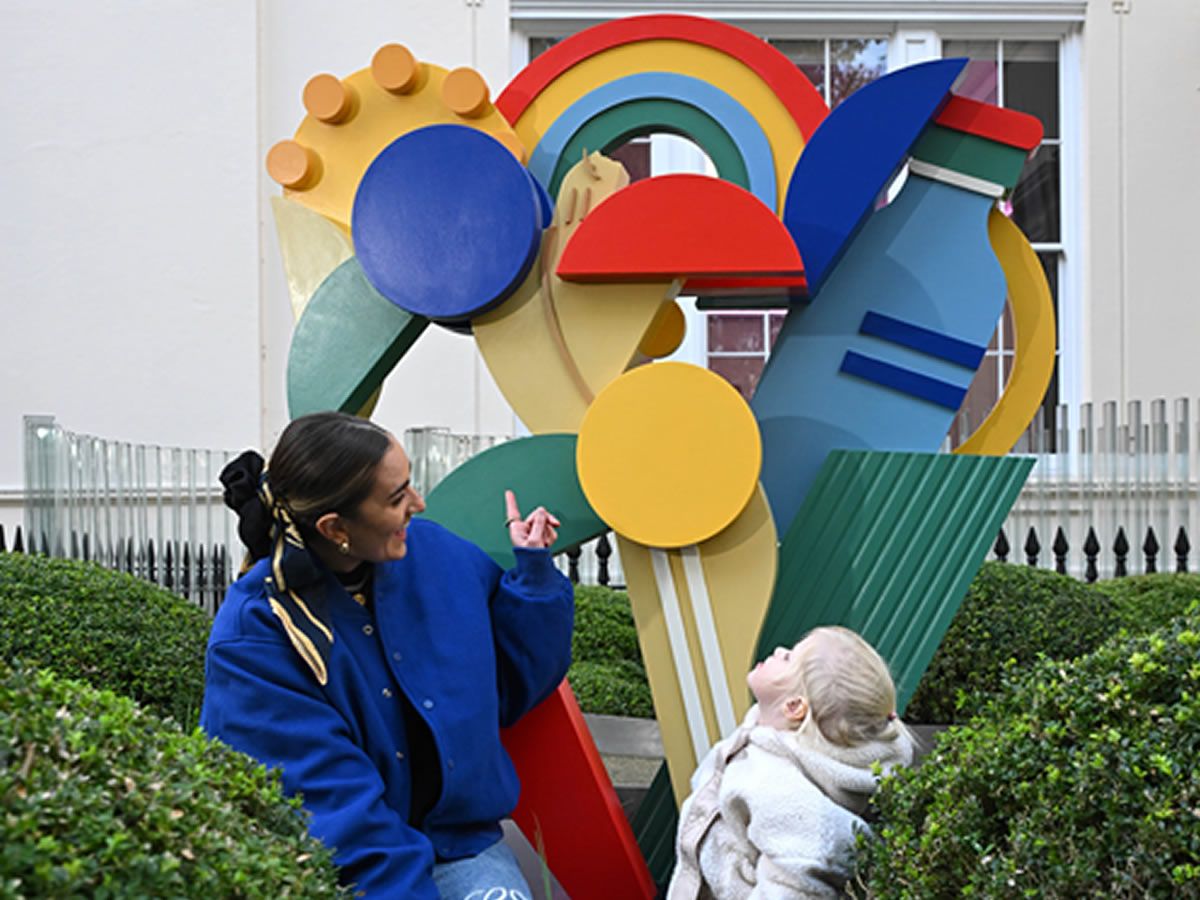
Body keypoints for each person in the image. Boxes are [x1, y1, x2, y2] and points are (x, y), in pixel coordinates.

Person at [201, 411, 574, 899]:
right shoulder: (257, 635)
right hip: (340, 873)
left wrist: (533, 580)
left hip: (459, 847)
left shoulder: (441, 556)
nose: (418, 505)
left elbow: (513, 683)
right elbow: (334, 822)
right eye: (397, 497)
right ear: (336, 527)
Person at [668, 626, 917, 899]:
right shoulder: (769, 729)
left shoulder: (784, 793)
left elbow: (796, 882)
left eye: (789, 658)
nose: (779, 650)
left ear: (795, 707)